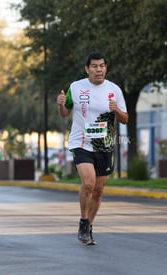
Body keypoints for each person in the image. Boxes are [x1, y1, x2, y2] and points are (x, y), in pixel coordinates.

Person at [56, 52, 128, 245]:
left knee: (99, 190)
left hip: (104, 145)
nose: (99, 69)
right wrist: (61, 105)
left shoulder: (114, 90)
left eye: (102, 66)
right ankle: (83, 220)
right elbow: (64, 113)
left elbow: (125, 119)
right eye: (95, 66)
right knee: (88, 184)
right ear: (87, 69)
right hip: (81, 142)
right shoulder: (76, 87)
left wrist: (116, 110)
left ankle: (89, 226)